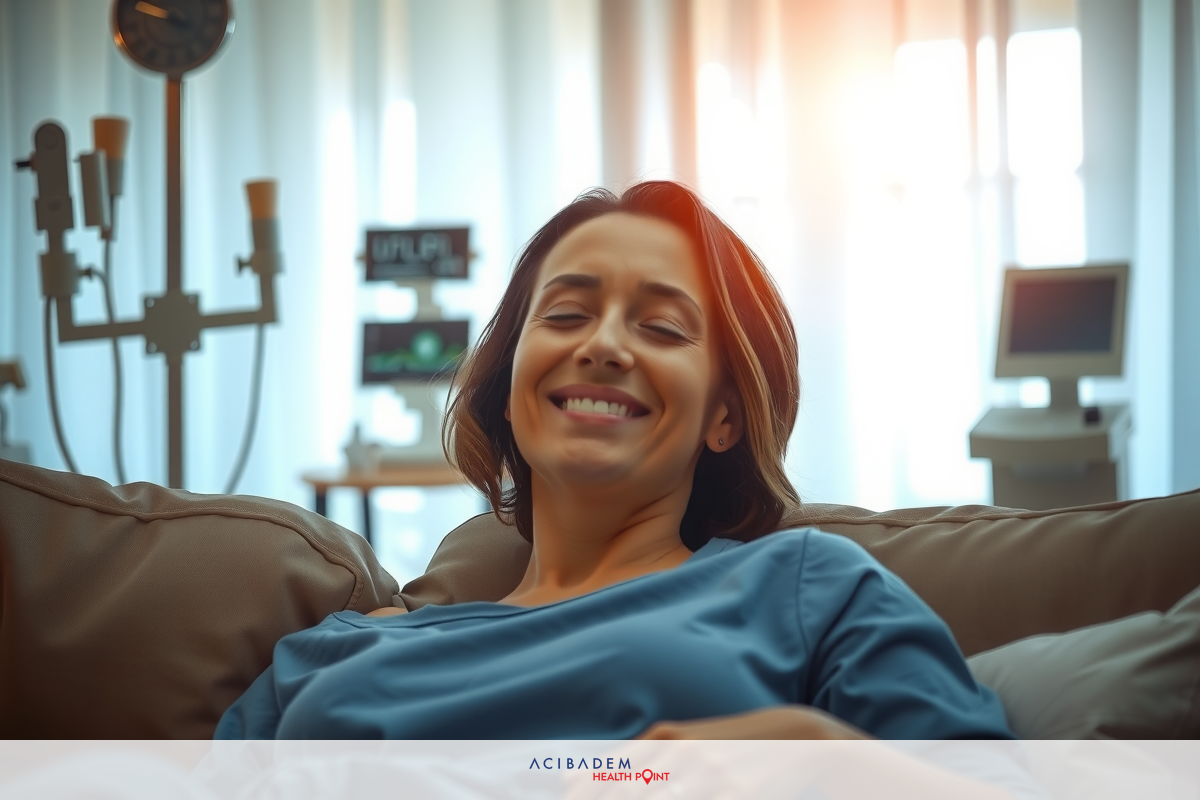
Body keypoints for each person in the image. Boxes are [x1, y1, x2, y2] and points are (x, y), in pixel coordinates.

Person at [214, 181, 1013, 742]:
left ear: (724, 417)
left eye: (661, 328)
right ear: (510, 385)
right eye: (567, 314)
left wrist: (822, 757)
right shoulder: (341, 650)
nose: (602, 345)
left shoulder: (807, 589)